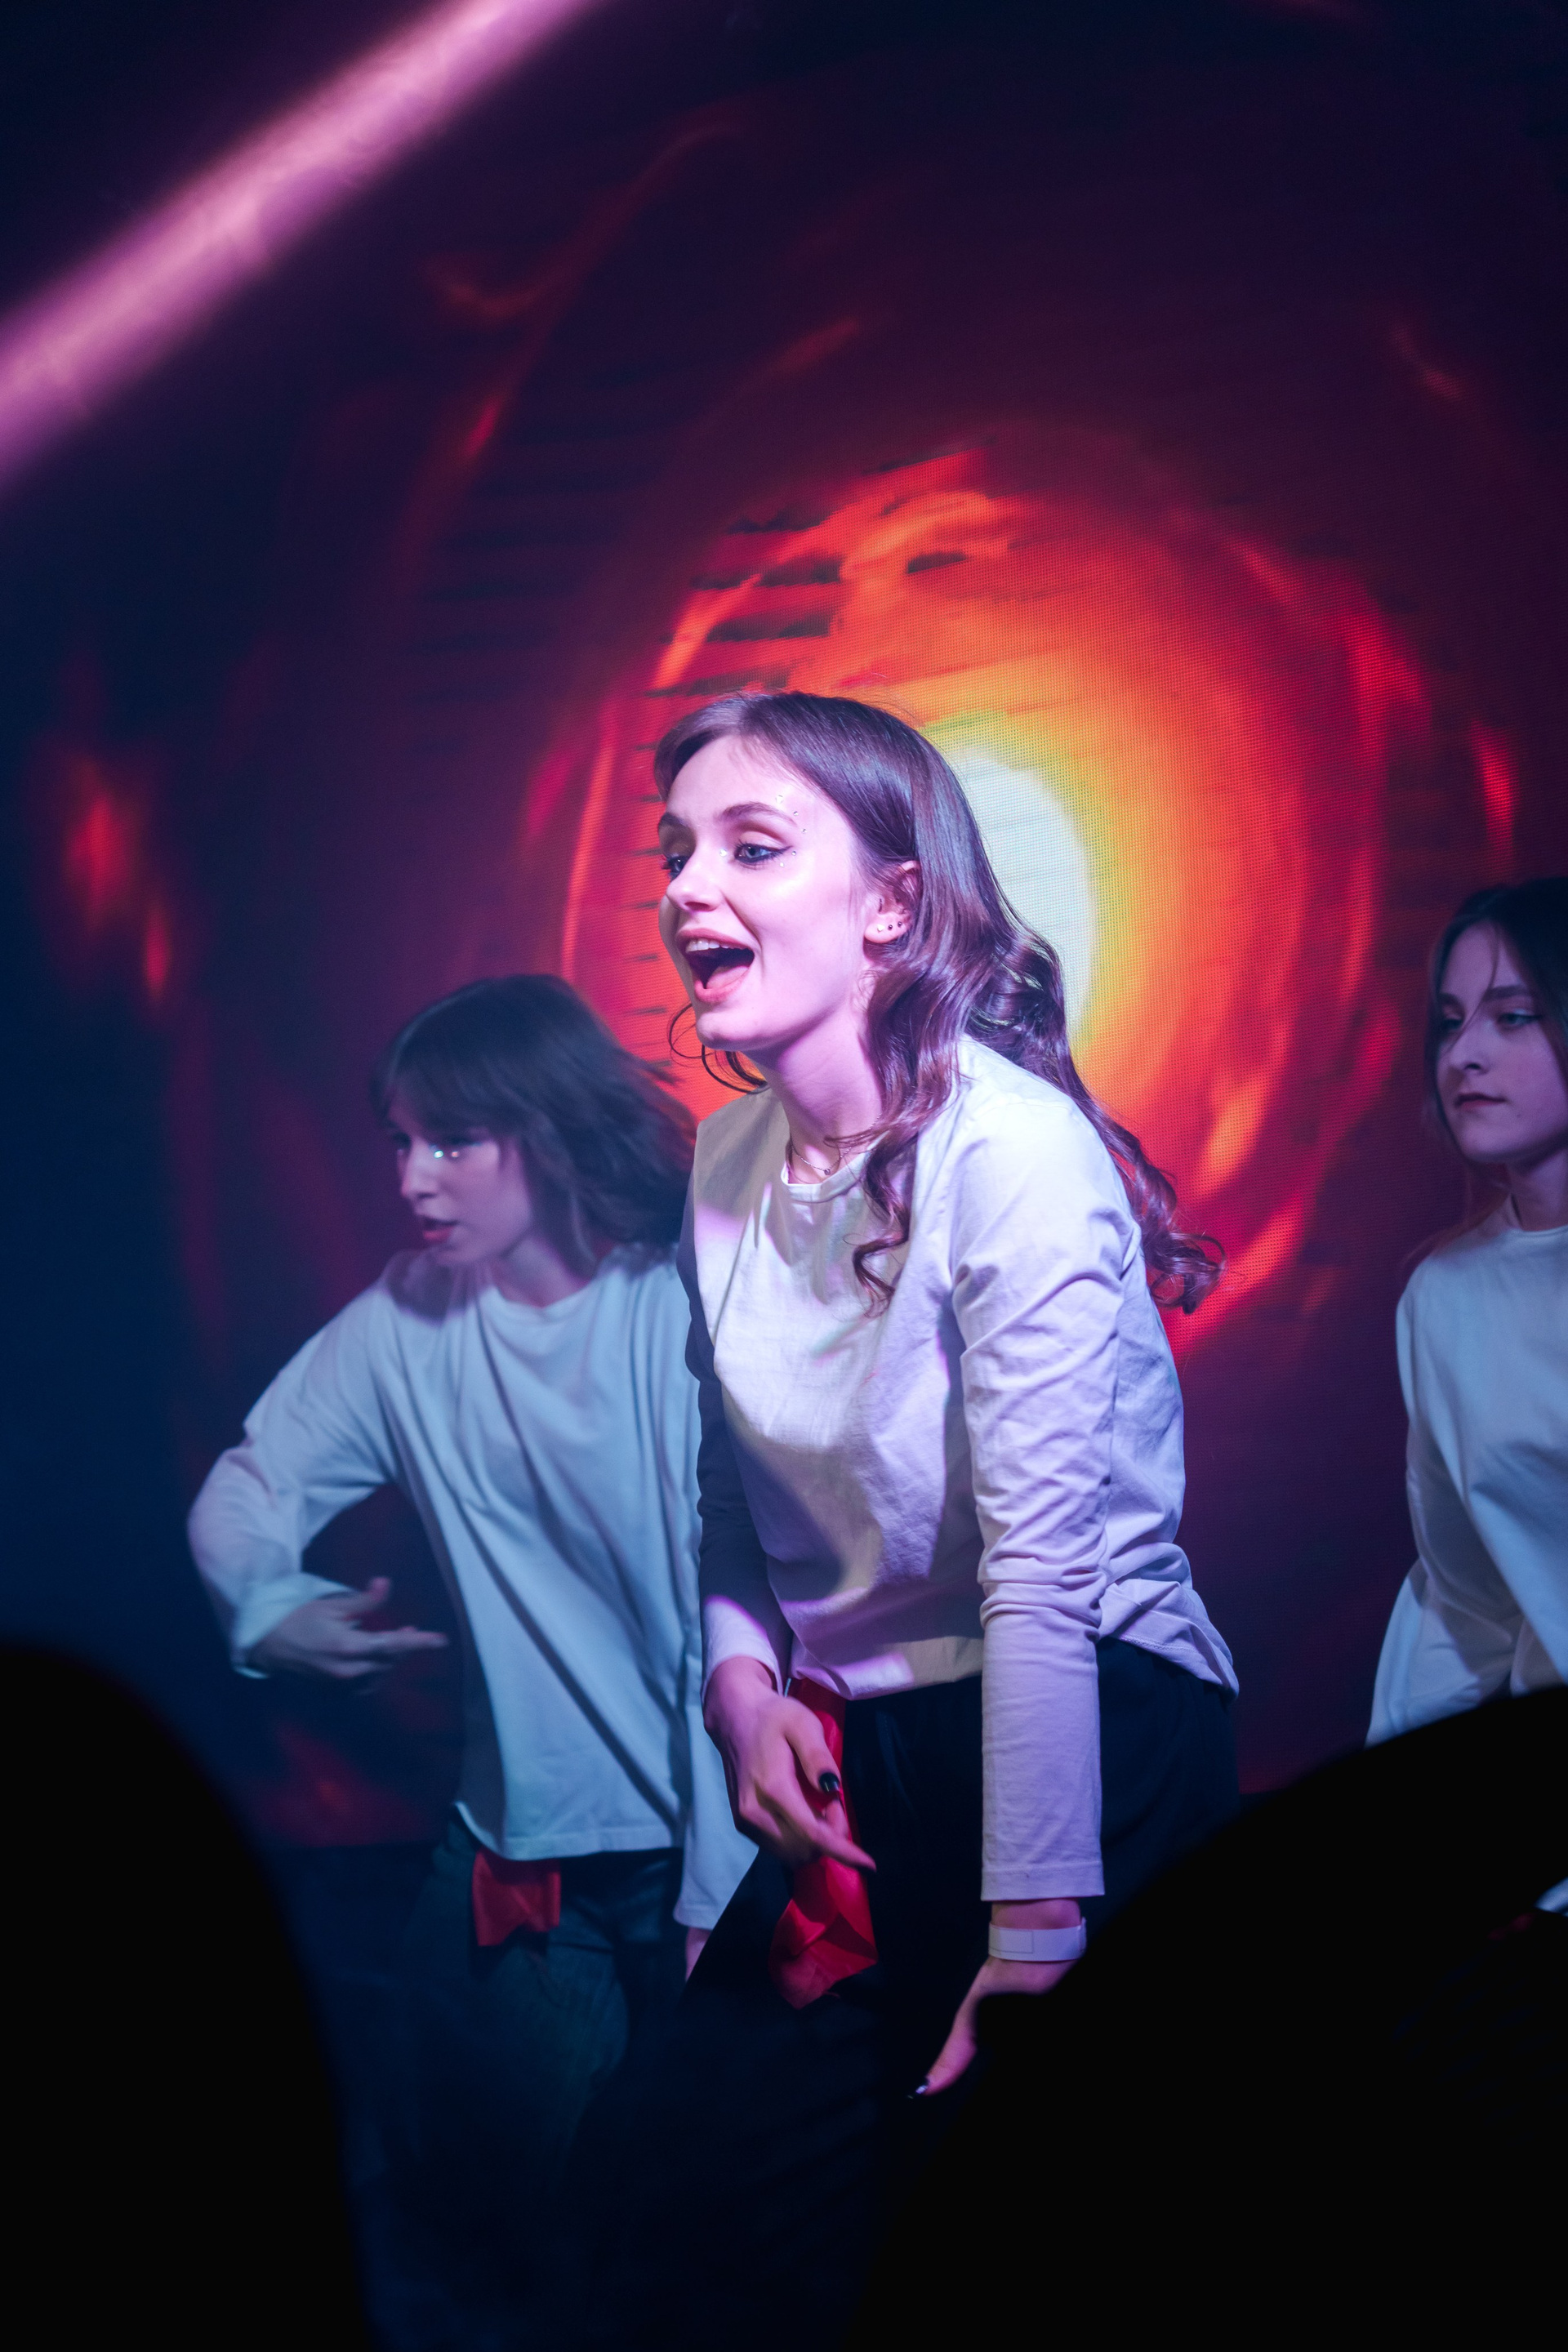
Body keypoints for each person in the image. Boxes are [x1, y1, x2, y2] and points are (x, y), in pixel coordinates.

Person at [555, 692, 1239, 2349]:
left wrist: (1042, 1923)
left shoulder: (1017, 1155)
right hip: (877, 1749)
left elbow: (1044, 1578)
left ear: (892, 904)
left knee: (1007, 2260)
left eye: (752, 846)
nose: (687, 887)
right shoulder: (727, 1163)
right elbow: (731, 1485)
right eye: (676, 852)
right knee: (668, 2209)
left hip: (1083, 1730)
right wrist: (742, 1689)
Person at [187, 974, 752, 2333]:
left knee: (713, 2236)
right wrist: (270, 1609)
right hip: (520, 1856)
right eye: (399, 1141)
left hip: (720, 1846)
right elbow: (245, 1492)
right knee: (454, 2221)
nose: (412, 1180)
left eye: (451, 1140)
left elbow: (726, 1628)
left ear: (545, 1132)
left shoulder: (676, 1307)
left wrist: (716, 1896)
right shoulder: (405, 1324)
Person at [1370, 880, 1568, 1799]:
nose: (1463, 1054)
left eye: (1513, 1016)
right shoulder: (1442, 1299)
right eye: (1451, 1023)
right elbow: (1465, 1601)